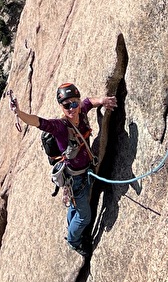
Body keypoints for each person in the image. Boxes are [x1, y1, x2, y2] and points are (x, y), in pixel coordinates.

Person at [12, 82, 118, 257]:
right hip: (75, 178)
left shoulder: (81, 110)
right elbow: (37, 121)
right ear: (61, 106)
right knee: (85, 217)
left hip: (85, 171)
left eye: (74, 103)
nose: (72, 108)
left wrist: (102, 100)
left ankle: (72, 227)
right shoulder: (60, 127)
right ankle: (73, 241)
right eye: (66, 105)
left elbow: (88, 102)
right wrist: (19, 113)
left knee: (76, 207)